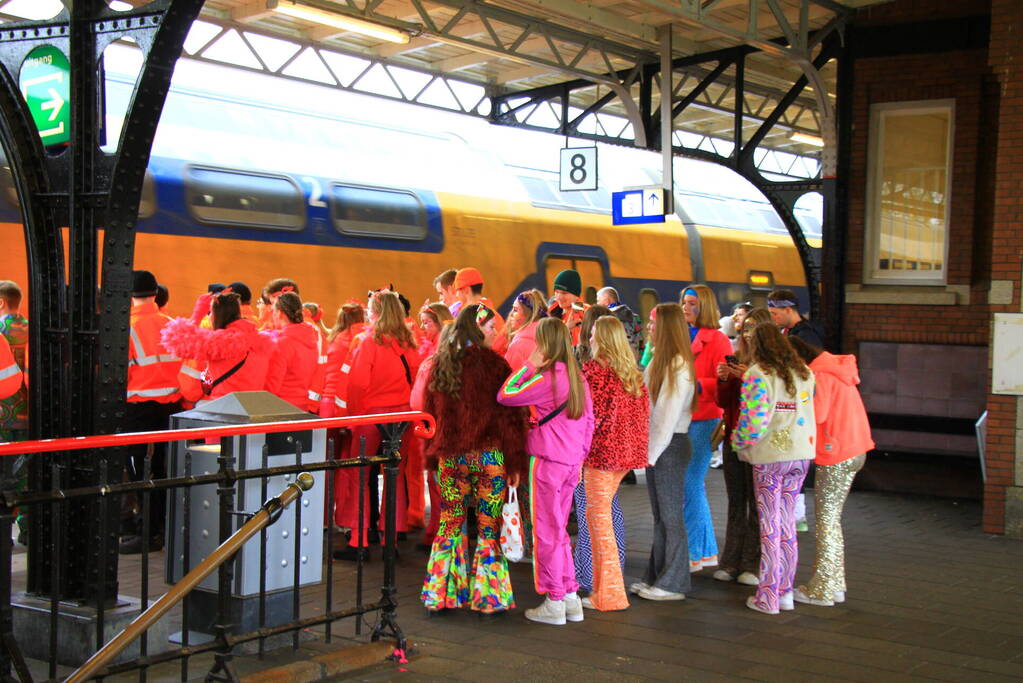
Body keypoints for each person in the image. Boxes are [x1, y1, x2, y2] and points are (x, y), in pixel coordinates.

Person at [420, 304, 527, 617]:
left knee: (450, 521)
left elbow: (429, 415)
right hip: (489, 458)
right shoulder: (496, 366)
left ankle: (441, 593)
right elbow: (510, 419)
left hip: (451, 458)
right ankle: (488, 597)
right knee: (487, 525)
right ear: (478, 329)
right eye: (491, 327)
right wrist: (515, 462)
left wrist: (433, 456)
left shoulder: (440, 363)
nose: (496, 332)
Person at [498, 318, 593, 626]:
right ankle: (569, 596)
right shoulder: (577, 377)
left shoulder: (548, 378)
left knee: (546, 533)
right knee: (560, 531)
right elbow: (589, 423)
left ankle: (553, 599)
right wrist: (579, 459)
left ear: (546, 345)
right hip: (569, 464)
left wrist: (528, 365)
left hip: (547, 462)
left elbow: (506, 394)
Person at [731, 323, 815, 615]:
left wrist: (737, 443)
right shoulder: (804, 373)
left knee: (768, 526)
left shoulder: (758, 375)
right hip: (801, 454)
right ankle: (786, 591)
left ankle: (767, 595)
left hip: (769, 457)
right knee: (787, 523)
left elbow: (754, 420)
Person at [334, 291, 420, 561]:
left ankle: (359, 540)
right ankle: (390, 542)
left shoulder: (369, 342)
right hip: (403, 416)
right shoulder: (410, 342)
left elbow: (358, 383)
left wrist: (354, 415)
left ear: (375, 312)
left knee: (360, 476)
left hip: (371, 415)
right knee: (395, 475)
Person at [788, 337, 873, 607]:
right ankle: (834, 584)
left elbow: (818, 414)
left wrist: (789, 403)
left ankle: (822, 589)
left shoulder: (820, 376)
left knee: (826, 524)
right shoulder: (836, 369)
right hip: (854, 449)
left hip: (836, 452)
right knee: (831, 521)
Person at [578, 316, 649, 611]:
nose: (590, 339)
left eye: (594, 334)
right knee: (602, 519)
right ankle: (605, 589)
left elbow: (586, 420)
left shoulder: (593, 373)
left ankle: (609, 595)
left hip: (599, 456)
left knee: (599, 523)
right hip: (624, 458)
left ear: (604, 339)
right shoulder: (631, 373)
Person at [631, 303, 696, 602]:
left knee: (670, 517)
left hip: (669, 445)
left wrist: (649, 455)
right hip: (662, 445)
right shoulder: (662, 361)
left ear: (667, 328)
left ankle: (674, 582)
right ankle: (658, 575)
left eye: (653, 324)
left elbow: (666, 417)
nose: (649, 329)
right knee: (660, 516)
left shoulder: (677, 366)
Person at [121, 270, 182, 554]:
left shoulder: (126, 327)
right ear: (155, 294)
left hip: (139, 408)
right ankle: (164, 527)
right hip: (172, 407)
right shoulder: (171, 324)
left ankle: (146, 531)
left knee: (137, 470)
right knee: (164, 469)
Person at [712, 307, 772, 587]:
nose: (746, 333)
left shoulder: (771, 366)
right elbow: (724, 402)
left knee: (757, 504)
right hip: (734, 438)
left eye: (753, 328)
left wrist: (747, 377)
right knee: (736, 501)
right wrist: (724, 379)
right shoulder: (736, 357)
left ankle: (753, 562)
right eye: (745, 328)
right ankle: (730, 560)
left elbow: (768, 401)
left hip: (760, 443)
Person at [680, 284, 732, 571]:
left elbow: (724, 382)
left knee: (691, 484)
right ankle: (704, 551)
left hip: (704, 417)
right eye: (685, 303)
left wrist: (697, 385)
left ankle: (696, 552)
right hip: (684, 417)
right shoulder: (681, 334)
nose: (686, 308)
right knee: (690, 485)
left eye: (692, 304)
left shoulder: (719, 340)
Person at [767, 288, 823, 531]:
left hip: (799, 404)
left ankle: (797, 514)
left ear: (789, 310)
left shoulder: (806, 336)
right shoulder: (785, 333)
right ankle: (792, 511)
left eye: (775, 313)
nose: (773, 318)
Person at [161, 291, 273, 403]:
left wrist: (197, 314)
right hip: (253, 405)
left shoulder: (221, 341)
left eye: (210, 313)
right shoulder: (262, 339)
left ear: (216, 314)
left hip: (224, 406)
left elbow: (177, 343)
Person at [264, 291, 319, 411]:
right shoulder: (311, 340)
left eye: (273, 311)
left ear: (280, 314)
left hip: (280, 409)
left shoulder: (283, 344)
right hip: (302, 406)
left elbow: (272, 385)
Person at [451, 268, 506, 353]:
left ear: (466, 290)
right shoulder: (493, 314)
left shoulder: (478, 315)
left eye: (457, 291)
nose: (456, 295)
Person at [503, 289, 547, 372]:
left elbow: (510, 381)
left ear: (528, 315)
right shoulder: (548, 337)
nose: (511, 314)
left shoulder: (518, 345)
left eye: (515, 310)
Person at [596, 286, 644, 361]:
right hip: (635, 363)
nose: (597, 304)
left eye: (598, 301)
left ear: (606, 301)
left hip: (619, 365)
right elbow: (641, 343)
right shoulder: (635, 317)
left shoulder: (608, 320)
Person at [547, 269, 587, 345]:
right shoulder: (553, 311)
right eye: (556, 292)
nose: (559, 297)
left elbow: (576, 349)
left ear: (576, 295)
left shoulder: (581, 313)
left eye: (564, 293)